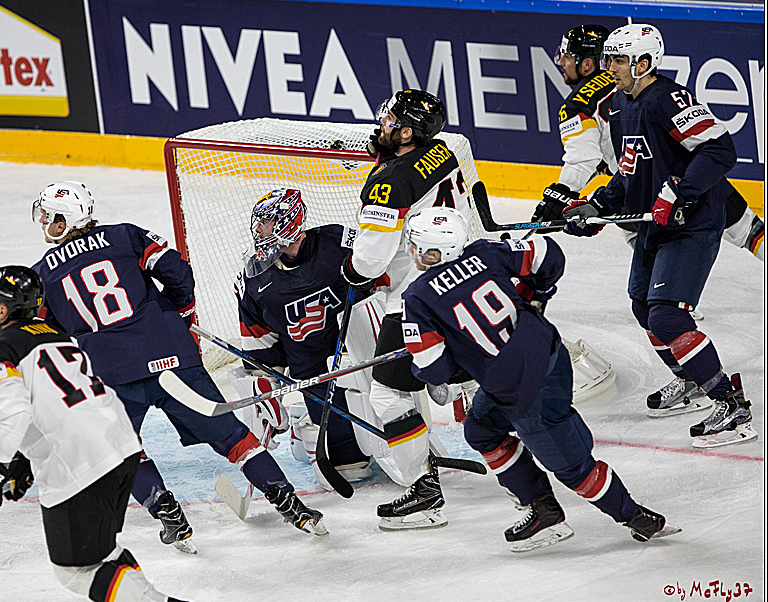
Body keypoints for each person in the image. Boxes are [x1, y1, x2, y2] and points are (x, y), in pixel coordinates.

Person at [29, 181, 328, 539]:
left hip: (114, 371)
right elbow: (178, 273)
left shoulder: (43, 274)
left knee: (120, 449)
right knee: (233, 435)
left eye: (47, 215)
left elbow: (50, 333)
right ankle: (290, 502)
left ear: (63, 221)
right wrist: (179, 313)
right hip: (173, 354)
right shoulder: (126, 236)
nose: (44, 221)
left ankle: (166, 510)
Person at [401, 207, 678, 552]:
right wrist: (536, 294)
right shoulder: (483, 252)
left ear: (432, 253)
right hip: (549, 352)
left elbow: (435, 370)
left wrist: (444, 360)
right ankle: (541, 507)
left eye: (415, 245)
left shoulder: (417, 297)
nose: (411, 251)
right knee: (481, 429)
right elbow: (549, 253)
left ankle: (638, 518)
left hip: (522, 387)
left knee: (574, 468)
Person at [562, 23, 756, 449]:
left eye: (617, 60)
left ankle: (730, 404)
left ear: (644, 63)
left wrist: (679, 191)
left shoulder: (670, 99)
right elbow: (629, 173)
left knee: (667, 314)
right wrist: (596, 205)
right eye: (609, 59)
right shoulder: (619, 106)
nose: (609, 67)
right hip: (658, 224)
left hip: (694, 221)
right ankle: (689, 379)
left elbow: (720, 150)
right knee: (641, 306)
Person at [0, 265, 181, 602]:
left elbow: (12, 414)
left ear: (2, 309)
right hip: (122, 448)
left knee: (77, 570)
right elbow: (57, 403)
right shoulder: (59, 337)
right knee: (103, 555)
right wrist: (23, 460)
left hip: (80, 465)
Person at [340, 89, 475, 530]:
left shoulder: (390, 180)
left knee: (387, 392)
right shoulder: (442, 151)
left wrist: (351, 270)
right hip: (466, 278)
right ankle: (455, 386)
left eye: (391, 121)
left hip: (419, 294)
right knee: (456, 368)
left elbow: (370, 260)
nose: (383, 124)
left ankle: (422, 489)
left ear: (407, 132)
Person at [533, 24, 764, 263]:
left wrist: (559, 194)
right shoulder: (635, 79)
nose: (561, 62)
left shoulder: (577, 105)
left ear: (586, 64)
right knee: (750, 231)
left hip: (637, 190)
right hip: (688, 175)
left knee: (652, 272)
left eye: (567, 56)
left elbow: (583, 159)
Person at [234, 187, 374, 490]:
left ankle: (306, 430)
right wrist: (266, 392)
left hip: (362, 361)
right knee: (351, 466)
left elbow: (381, 285)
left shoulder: (340, 242)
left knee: (390, 426)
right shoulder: (255, 278)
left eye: (267, 223)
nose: (259, 230)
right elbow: (260, 346)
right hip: (313, 376)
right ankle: (304, 428)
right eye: (258, 222)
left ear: (289, 224)